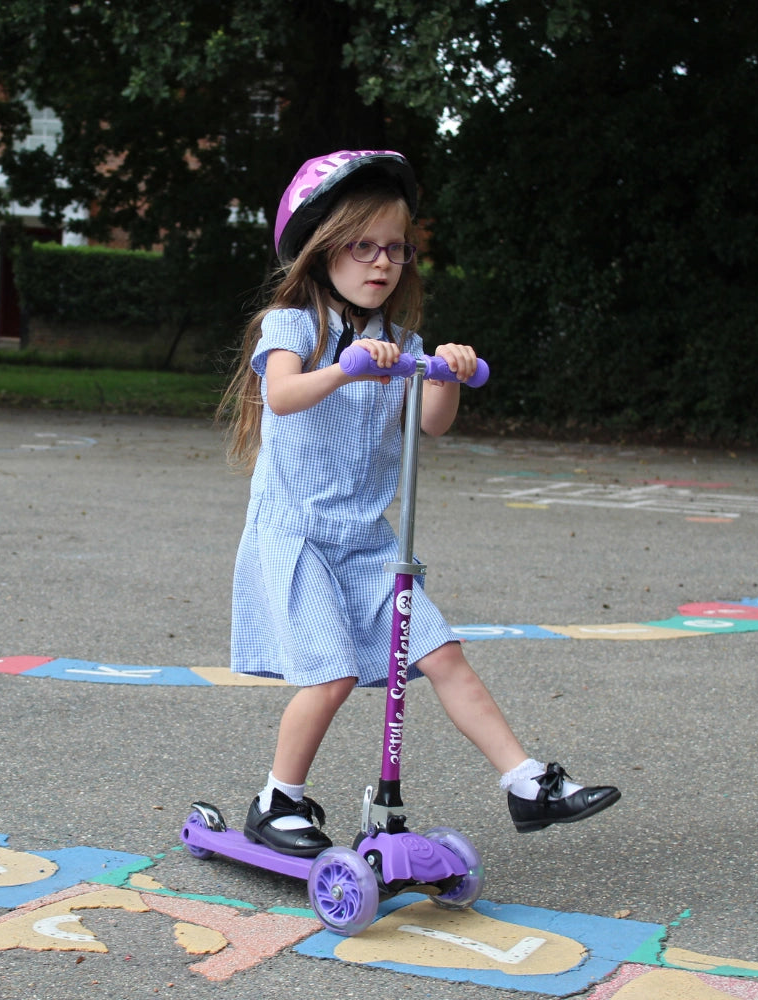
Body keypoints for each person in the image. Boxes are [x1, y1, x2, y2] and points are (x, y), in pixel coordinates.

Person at [218, 149, 620, 857]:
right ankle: (276, 800)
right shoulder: (293, 326)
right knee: (332, 674)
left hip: (370, 542)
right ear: (321, 252)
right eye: (362, 246)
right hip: (300, 535)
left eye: (396, 250)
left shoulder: (401, 344)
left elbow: (431, 422)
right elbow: (281, 395)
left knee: (445, 655)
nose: (381, 263)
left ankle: (526, 782)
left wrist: (448, 373)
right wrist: (340, 369)